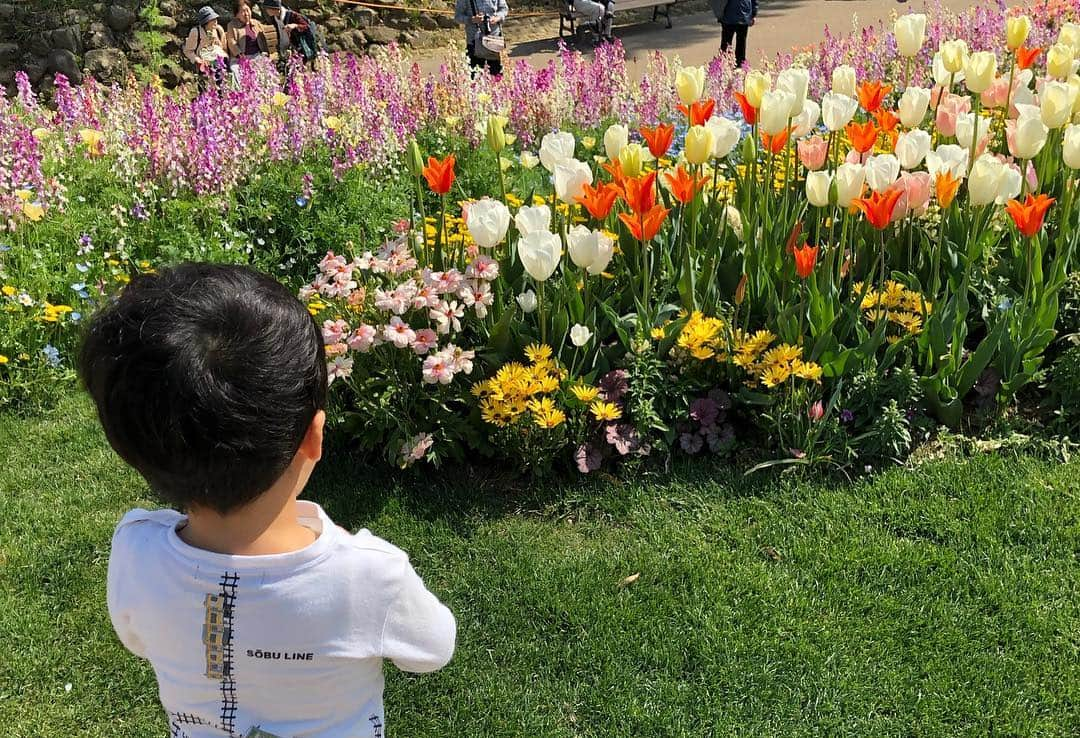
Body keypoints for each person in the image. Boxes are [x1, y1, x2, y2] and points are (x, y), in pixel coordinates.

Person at [79, 263, 456, 737]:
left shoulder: (136, 550)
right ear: (313, 438)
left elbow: (135, 637)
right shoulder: (370, 574)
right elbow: (435, 648)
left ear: (132, 449)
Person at [454, 0, 508, 76]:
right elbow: (458, 17)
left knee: (496, 77)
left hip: (494, 41)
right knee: (475, 78)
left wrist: (497, 18)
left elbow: (504, 9)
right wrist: (472, 19)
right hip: (474, 43)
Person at [261, 0, 318, 68]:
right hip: (290, 50)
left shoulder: (293, 15)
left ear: (274, 8)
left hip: (301, 47)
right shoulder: (276, 18)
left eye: (267, 8)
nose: (266, 10)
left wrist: (295, 25)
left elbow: (307, 27)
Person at [183, 6, 229, 84]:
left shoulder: (218, 30)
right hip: (203, 63)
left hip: (217, 62)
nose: (216, 22)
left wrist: (218, 43)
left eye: (215, 19)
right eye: (212, 19)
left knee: (220, 86)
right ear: (206, 22)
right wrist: (197, 59)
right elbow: (188, 51)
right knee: (205, 89)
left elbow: (223, 49)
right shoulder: (195, 32)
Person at [716, 0, 757, 67]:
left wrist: (719, 13)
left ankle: (726, 64)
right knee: (739, 42)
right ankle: (738, 64)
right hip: (741, 14)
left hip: (731, 15)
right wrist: (753, 14)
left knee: (727, 43)